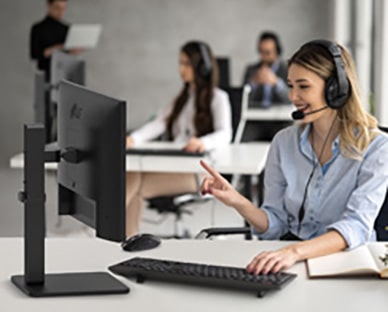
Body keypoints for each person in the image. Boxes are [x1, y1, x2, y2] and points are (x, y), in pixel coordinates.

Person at [201, 39, 388, 275]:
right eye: (290, 86)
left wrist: (294, 252)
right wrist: (237, 200)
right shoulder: (283, 142)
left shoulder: (376, 147)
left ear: (336, 89)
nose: (294, 96)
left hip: (347, 263)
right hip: (293, 260)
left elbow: (356, 226)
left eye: (303, 86)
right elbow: (275, 222)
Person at [125, 41, 232, 237]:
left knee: (133, 181)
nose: (181, 69)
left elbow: (225, 134)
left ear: (202, 67)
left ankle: (116, 233)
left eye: (187, 63)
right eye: (180, 63)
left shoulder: (219, 98)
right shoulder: (182, 98)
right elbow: (159, 123)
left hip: (198, 172)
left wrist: (203, 142)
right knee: (133, 175)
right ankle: (125, 238)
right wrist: (133, 138)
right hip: (174, 165)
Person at [30, 0, 81, 81]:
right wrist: (56, 49)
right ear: (49, 6)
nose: (60, 12)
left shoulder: (67, 28)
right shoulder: (38, 28)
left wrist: (75, 50)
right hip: (45, 75)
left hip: (65, 74)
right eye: (57, 8)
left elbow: (70, 54)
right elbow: (34, 54)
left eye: (63, 9)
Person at [243, 31, 289, 107]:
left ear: (277, 52)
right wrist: (253, 84)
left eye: (267, 53)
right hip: (256, 115)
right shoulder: (251, 69)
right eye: (261, 52)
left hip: (280, 116)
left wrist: (276, 83)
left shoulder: (287, 70)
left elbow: (291, 100)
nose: (263, 57)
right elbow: (243, 100)